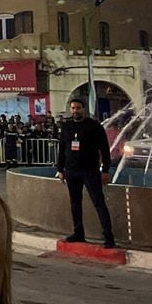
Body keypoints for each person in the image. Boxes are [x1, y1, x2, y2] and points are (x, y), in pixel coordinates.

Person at [56, 98, 115, 248]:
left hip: (90, 171)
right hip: (71, 171)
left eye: (78, 108)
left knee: (99, 203)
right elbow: (62, 148)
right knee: (75, 204)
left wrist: (105, 170)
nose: (75, 111)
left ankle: (108, 237)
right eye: (73, 108)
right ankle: (78, 233)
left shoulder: (94, 126)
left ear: (84, 109)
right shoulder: (67, 127)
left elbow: (104, 149)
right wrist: (60, 169)